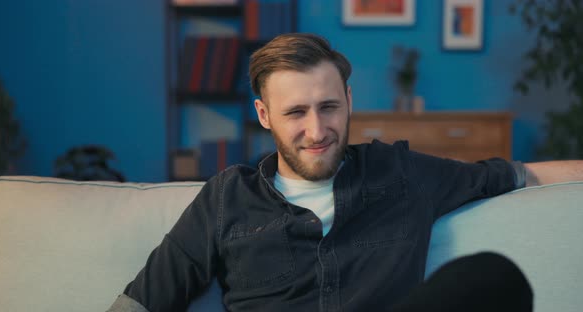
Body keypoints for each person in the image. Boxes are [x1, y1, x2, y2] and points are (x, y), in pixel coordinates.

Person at [108, 33, 582, 312]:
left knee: (490, 275)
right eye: (295, 112)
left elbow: (520, 175)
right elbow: (143, 302)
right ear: (264, 115)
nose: (317, 130)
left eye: (329, 107)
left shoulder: (401, 172)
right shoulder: (226, 198)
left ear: (349, 102)